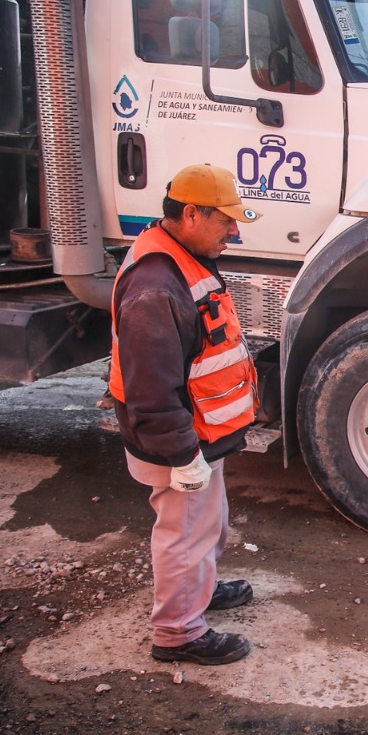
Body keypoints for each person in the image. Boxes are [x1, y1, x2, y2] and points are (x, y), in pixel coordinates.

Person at [110, 164, 264, 664]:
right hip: (179, 441)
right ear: (191, 214)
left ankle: (200, 588)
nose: (234, 232)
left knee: (207, 525)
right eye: (225, 222)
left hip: (198, 435)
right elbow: (151, 391)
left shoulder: (178, 257)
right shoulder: (156, 286)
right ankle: (178, 633)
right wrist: (182, 456)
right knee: (185, 535)